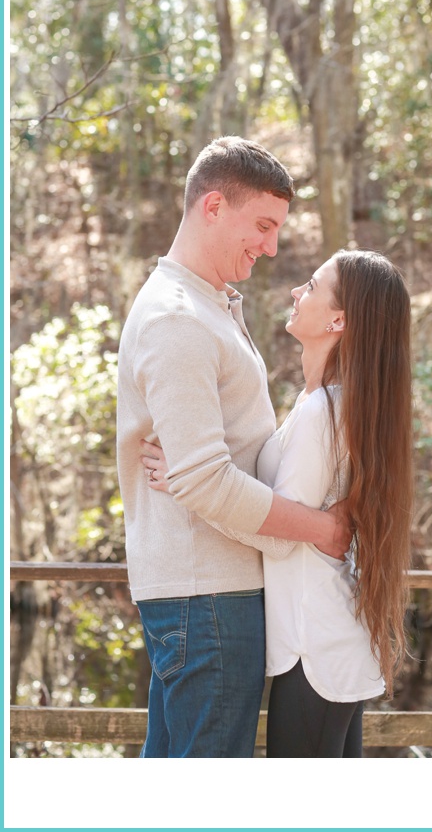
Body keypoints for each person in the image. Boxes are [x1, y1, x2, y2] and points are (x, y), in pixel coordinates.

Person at [115, 136, 350, 758]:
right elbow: (206, 480)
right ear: (213, 206)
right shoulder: (178, 319)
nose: (271, 247)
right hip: (209, 599)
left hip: (207, 594)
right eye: (263, 225)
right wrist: (320, 529)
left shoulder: (207, 306)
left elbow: (217, 461)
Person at [144, 249, 414, 757]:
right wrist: (196, 468)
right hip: (319, 640)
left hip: (315, 646)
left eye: (311, 286)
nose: (296, 292)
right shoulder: (326, 403)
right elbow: (289, 512)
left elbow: (279, 529)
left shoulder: (323, 411)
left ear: (339, 319)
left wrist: (190, 480)